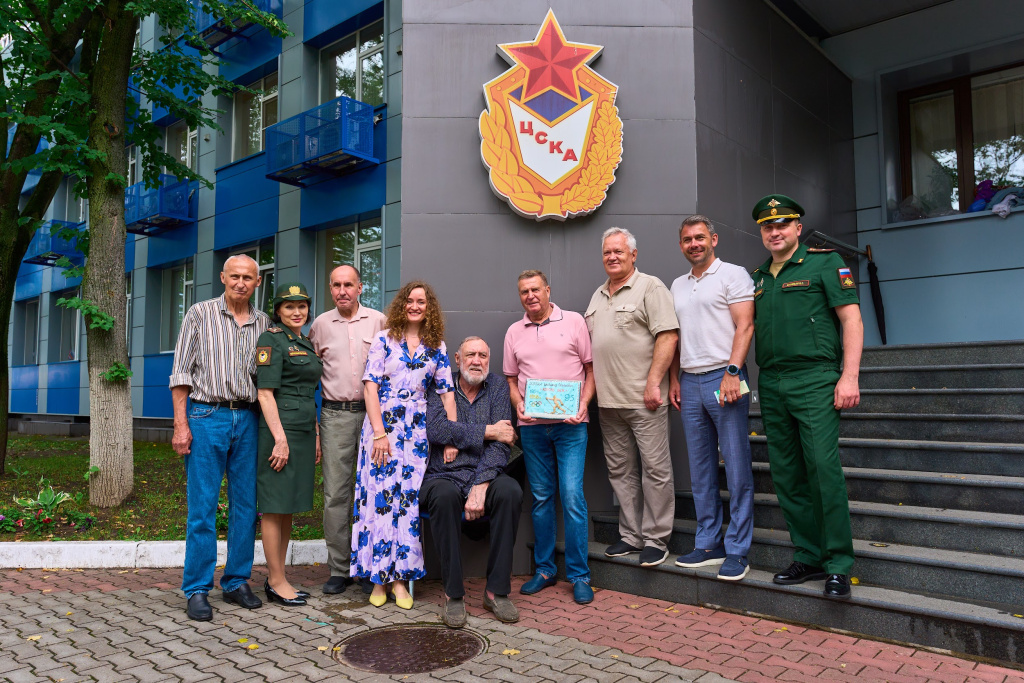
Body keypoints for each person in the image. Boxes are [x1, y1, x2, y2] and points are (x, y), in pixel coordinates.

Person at [749, 194, 864, 599]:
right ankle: (808, 555)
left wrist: (849, 376)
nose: (775, 231)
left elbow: (851, 320)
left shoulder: (826, 263)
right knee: (786, 473)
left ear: (798, 228)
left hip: (815, 379)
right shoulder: (758, 278)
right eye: (768, 226)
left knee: (822, 469)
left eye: (782, 224)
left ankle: (838, 564)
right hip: (772, 382)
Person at [170, 254, 271, 621]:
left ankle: (236, 581)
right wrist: (181, 425)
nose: (241, 283)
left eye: (248, 277)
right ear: (223, 278)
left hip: (249, 418)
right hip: (206, 416)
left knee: (246, 506)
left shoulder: (264, 323)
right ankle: (197, 588)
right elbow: (181, 372)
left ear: (257, 282)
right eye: (235, 276)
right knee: (203, 507)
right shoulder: (199, 314)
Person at [352, 281, 457, 609]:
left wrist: (451, 437)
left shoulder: (436, 345)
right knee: (380, 502)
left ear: (429, 307)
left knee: (406, 505)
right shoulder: (384, 339)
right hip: (381, 429)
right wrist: (379, 433)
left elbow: (447, 393)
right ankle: (378, 579)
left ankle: (400, 581)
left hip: (416, 434)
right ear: (402, 304)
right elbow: (370, 387)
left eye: (421, 301)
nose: (414, 306)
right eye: (410, 300)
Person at [585, 228, 678, 568]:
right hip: (608, 404)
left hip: (645, 400)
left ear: (633, 255)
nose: (612, 257)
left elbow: (668, 336)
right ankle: (631, 535)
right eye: (607, 252)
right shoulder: (597, 296)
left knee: (655, 471)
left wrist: (654, 383)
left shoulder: (650, 287)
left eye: (619, 251)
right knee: (620, 472)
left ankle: (656, 539)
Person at [668, 215, 755, 581]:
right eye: (687, 239)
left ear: (714, 239)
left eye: (700, 237)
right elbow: (675, 336)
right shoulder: (677, 284)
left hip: (726, 375)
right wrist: (674, 378)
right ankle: (707, 543)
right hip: (689, 381)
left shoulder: (733, 274)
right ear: (681, 245)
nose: (694, 244)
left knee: (736, 464)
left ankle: (737, 550)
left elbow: (745, 325)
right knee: (701, 466)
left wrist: (733, 371)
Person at [504, 270, 596, 605]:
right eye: (524, 291)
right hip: (532, 428)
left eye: (535, 289)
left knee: (572, 496)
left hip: (571, 426)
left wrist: (583, 404)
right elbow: (512, 379)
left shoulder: (573, 322)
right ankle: (544, 570)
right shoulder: (514, 332)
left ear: (547, 290)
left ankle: (580, 576)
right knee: (541, 498)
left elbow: (590, 370)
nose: (530, 296)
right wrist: (518, 404)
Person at [423, 336, 522, 628]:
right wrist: (488, 431)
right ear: (457, 359)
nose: (476, 361)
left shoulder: (498, 387)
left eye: (482, 355)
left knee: (510, 491)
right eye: (470, 355)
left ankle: (496, 592)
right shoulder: (439, 385)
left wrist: (481, 484)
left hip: (484, 473)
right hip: (444, 474)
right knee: (442, 497)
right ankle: (453, 595)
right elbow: (436, 429)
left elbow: (503, 443)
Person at [308, 265, 386, 595]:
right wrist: (314, 428)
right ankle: (339, 569)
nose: (342, 291)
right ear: (330, 288)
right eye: (336, 285)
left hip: (373, 418)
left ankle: (369, 566)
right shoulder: (320, 325)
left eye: (348, 285)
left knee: (373, 490)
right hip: (335, 416)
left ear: (360, 287)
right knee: (336, 494)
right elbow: (308, 376)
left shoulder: (379, 321)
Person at [253, 282, 322, 606]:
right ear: (278, 310)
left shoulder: (303, 342)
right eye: (289, 306)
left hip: (303, 430)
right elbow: (265, 393)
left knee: (289, 505)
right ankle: (276, 580)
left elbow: (308, 392)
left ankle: (279, 577)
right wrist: (280, 440)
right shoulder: (271, 340)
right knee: (274, 505)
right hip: (280, 431)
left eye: (302, 306)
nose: (297, 312)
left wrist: (316, 434)